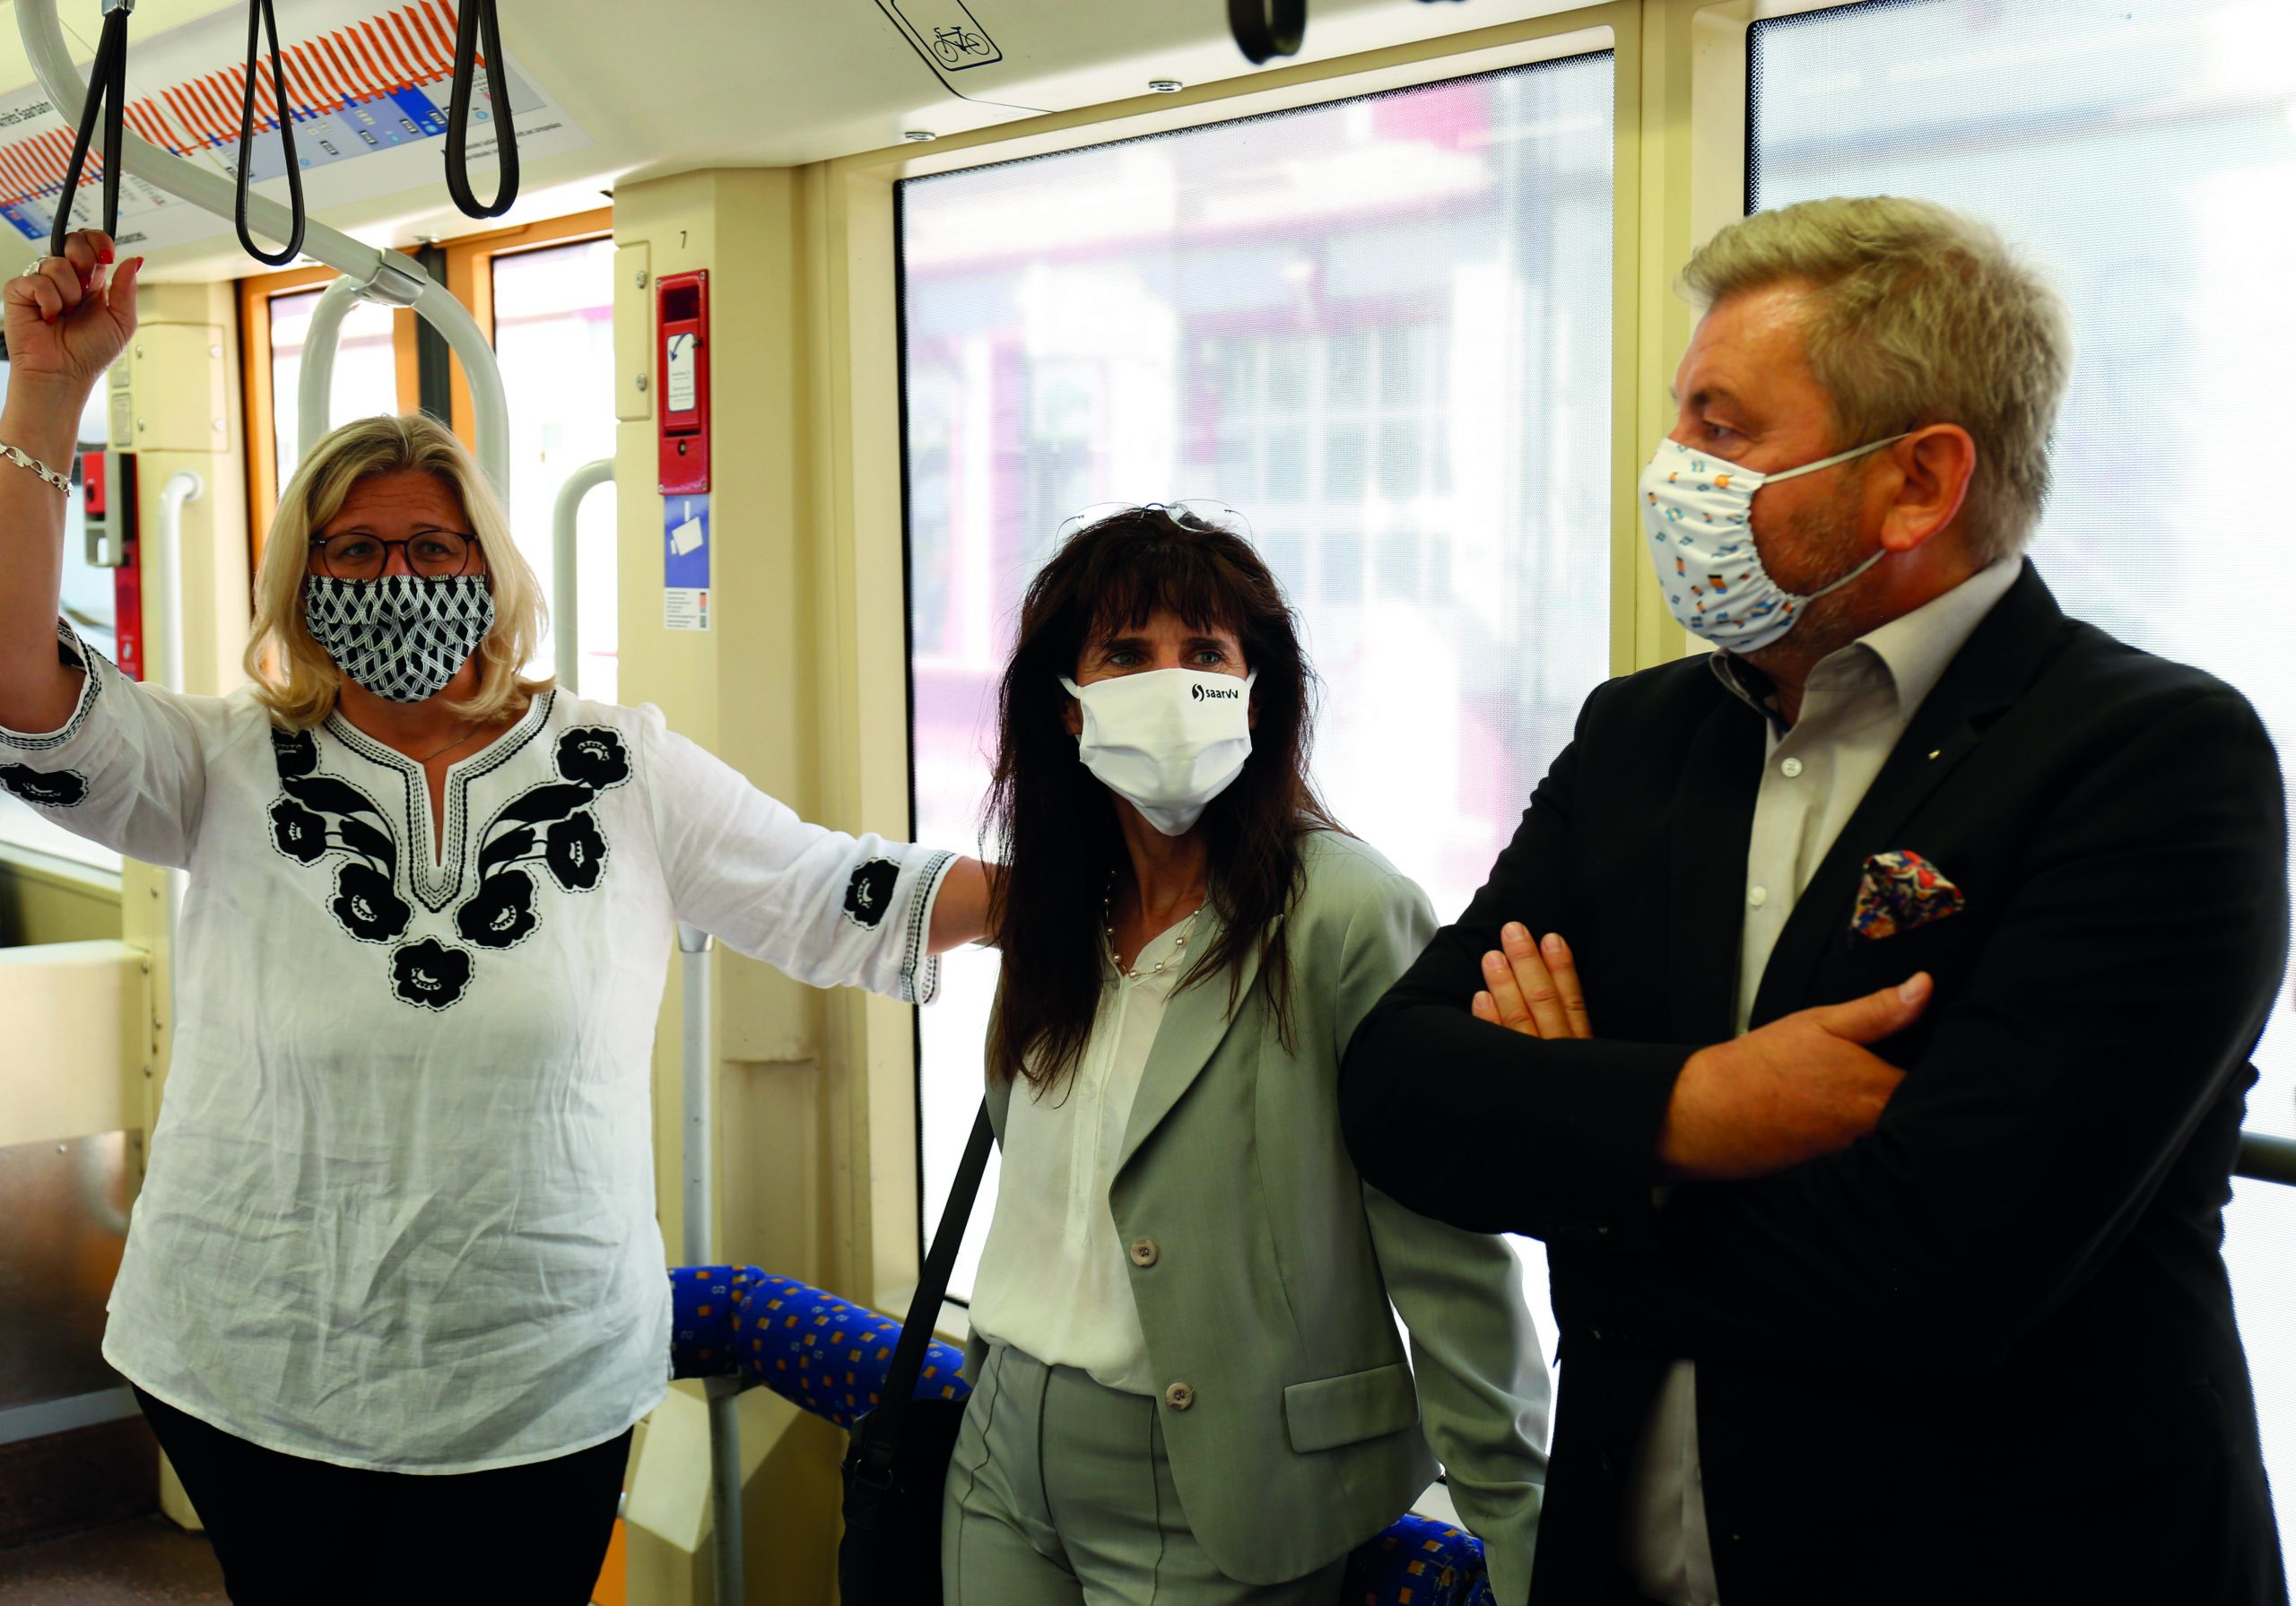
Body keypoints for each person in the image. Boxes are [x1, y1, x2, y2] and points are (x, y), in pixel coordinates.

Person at [0, 230, 993, 1605]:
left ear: (490, 565)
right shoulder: (218, 764)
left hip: (544, 1373)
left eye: (431, 543)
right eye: (354, 548)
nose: (396, 574)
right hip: (255, 1355)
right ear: (302, 580)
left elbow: (834, 887)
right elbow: (14, 674)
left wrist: (1080, 888)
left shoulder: (622, 765)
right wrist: (45, 391)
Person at [1339, 196, 2289, 1606]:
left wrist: (1572, 1137)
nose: (1671, 470)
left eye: (1722, 428)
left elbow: (1940, 1273)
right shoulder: (1640, 737)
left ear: (1917, 482)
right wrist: (1697, 1112)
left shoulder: (2152, 759)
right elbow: (1398, 1092)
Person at [941, 506, 1550, 1605]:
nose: (1168, 684)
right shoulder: (1052, 909)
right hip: (1000, 1459)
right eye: (1125, 654)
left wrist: (1522, 1531)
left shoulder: (1347, 916)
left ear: (1257, 696)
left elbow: (1445, 1247)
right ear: (1067, 708)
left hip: (1219, 1490)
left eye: (1205, 654)